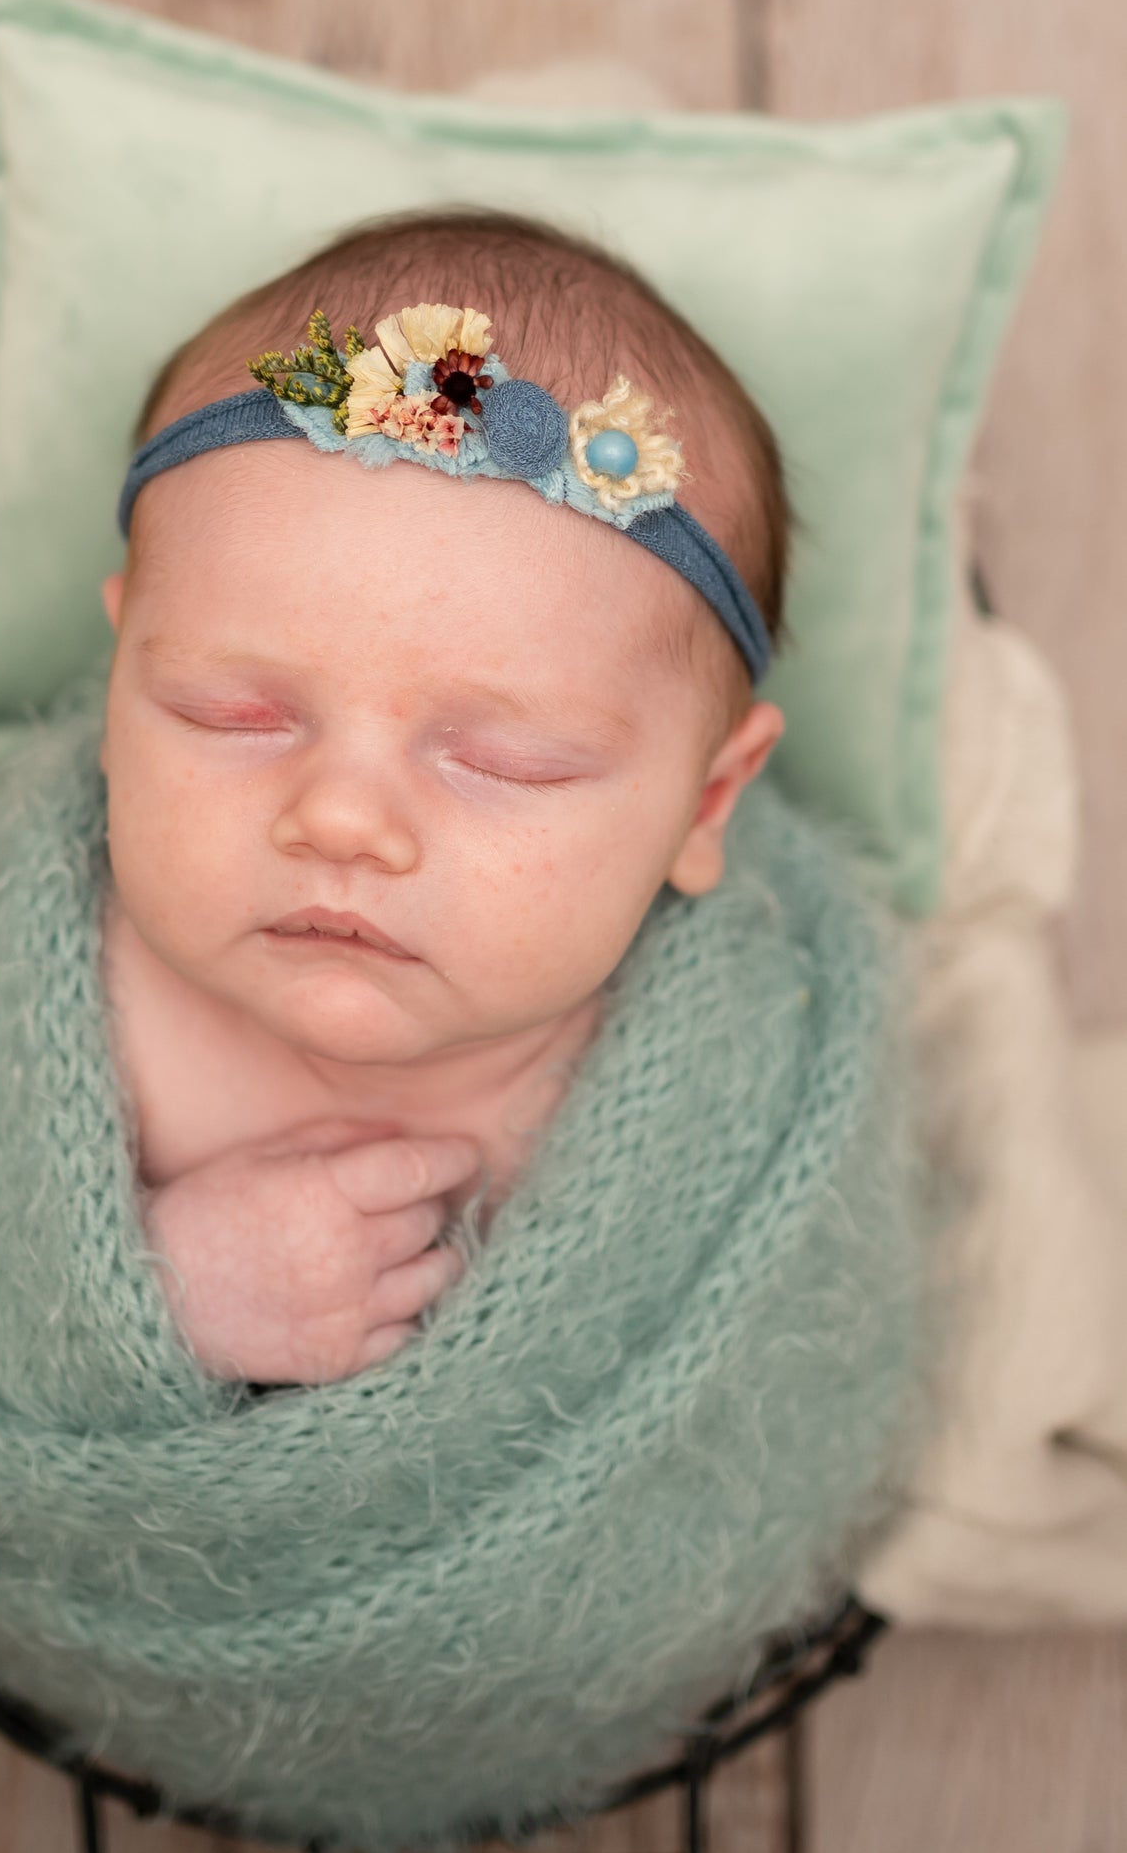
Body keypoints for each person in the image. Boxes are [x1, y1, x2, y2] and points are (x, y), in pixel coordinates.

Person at [99, 207, 795, 1389]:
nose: (340, 819)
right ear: (117, 678)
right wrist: (143, 1291)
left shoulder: (737, 1091)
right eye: (230, 713)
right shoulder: (44, 983)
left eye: (505, 762)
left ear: (704, 802)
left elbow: (783, 1380)